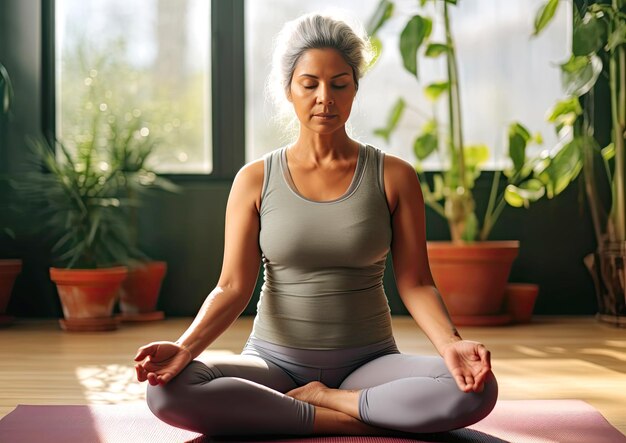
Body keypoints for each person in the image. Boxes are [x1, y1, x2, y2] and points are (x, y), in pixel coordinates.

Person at [134, 12, 498, 437]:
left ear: (355, 88)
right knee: (168, 391)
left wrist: (453, 346)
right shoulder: (254, 180)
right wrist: (184, 348)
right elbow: (232, 287)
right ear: (288, 89)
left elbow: (416, 283)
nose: (325, 97)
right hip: (272, 363)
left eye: (340, 84)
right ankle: (363, 418)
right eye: (310, 84)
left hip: (371, 363)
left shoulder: (394, 176)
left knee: (476, 389)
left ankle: (326, 402)